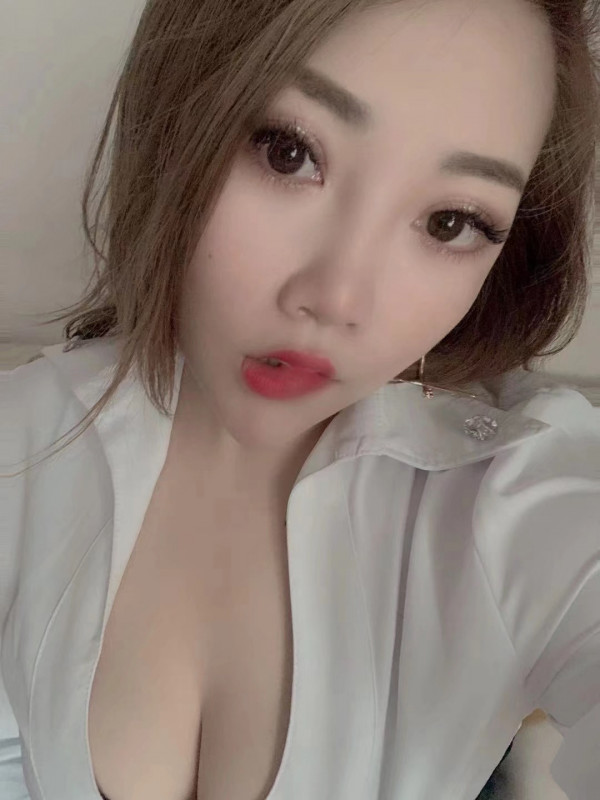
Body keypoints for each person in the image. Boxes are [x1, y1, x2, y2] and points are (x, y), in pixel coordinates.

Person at [2, 0, 599, 798]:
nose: (338, 297)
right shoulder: (24, 443)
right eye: (289, 153)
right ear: (180, 116)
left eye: (451, 221)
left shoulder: (517, 499)